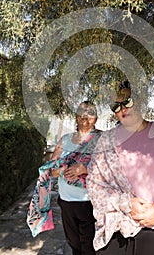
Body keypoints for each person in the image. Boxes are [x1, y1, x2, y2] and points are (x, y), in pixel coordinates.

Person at [86, 81, 154, 255]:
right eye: (116, 106)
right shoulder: (106, 140)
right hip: (118, 229)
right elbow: (93, 184)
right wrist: (126, 203)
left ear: (140, 101)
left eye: (127, 101)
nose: (122, 109)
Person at [51, 100, 102, 255]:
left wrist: (84, 169)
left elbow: (110, 169)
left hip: (90, 202)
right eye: (82, 112)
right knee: (74, 244)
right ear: (76, 116)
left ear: (96, 118)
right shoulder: (65, 140)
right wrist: (61, 170)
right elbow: (51, 168)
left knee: (89, 246)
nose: (85, 116)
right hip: (67, 202)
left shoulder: (102, 139)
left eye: (90, 113)